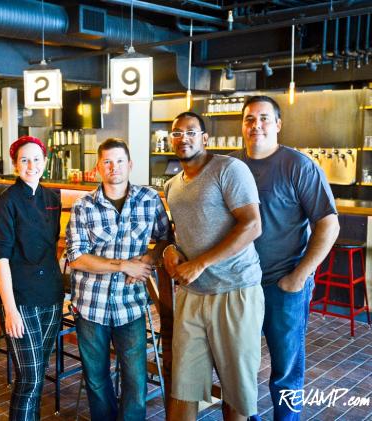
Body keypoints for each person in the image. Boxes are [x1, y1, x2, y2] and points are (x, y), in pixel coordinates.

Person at [231, 96, 339, 420]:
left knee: (286, 371)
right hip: (240, 286)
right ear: (242, 126)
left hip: (284, 285)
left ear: (278, 124)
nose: (257, 125)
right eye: (250, 119)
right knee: (241, 368)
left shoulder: (299, 166)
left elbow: (329, 224)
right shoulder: (231, 167)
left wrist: (299, 276)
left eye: (264, 118)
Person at [163, 112, 264, 421]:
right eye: (177, 133)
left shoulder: (229, 169)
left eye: (191, 132)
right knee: (183, 387)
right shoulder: (171, 186)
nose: (183, 138)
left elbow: (252, 225)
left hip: (235, 290)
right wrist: (169, 249)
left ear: (205, 138)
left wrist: (200, 263)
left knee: (236, 391)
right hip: (192, 294)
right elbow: (183, 231)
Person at [66, 138, 171, 421]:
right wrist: (124, 266)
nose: (114, 167)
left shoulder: (149, 199)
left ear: (130, 164)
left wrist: (149, 259)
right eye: (108, 162)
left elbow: (165, 238)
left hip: (131, 305)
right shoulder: (83, 206)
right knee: (97, 380)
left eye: (120, 161)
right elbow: (76, 257)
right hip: (91, 305)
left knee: (135, 380)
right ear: (98, 167)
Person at [0, 135, 64, 420]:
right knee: (29, 378)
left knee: (39, 372)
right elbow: (0, 259)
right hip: (21, 300)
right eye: (24, 160)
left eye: (36, 159)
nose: (31, 165)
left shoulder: (52, 198)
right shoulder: (5, 204)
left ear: (45, 162)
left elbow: (52, 245)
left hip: (51, 296)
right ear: (15, 165)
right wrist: (9, 309)